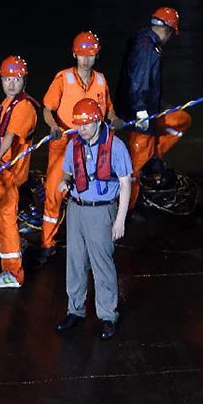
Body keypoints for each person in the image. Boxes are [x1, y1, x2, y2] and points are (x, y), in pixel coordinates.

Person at [38, 31, 123, 266]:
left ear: (97, 55)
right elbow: (47, 108)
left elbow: (108, 110)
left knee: (93, 189)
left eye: (91, 55)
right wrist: (54, 126)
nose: (86, 60)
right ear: (74, 54)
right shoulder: (63, 78)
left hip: (92, 145)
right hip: (64, 142)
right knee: (54, 193)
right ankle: (47, 243)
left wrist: (114, 120)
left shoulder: (101, 81)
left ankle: (93, 236)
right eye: (82, 55)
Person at [55, 98, 132, 341]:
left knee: (102, 263)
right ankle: (75, 310)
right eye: (79, 124)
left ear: (98, 121)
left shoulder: (115, 146)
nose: (82, 129)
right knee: (75, 262)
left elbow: (125, 182)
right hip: (76, 208)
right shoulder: (74, 144)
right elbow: (68, 170)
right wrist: (65, 182)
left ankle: (107, 314)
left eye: (86, 124)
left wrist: (120, 219)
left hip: (101, 211)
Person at [115, 6, 191, 213]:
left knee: (180, 119)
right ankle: (126, 212)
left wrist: (156, 104)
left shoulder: (144, 40)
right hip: (139, 114)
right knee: (134, 170)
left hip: (146, 107)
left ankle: (153, 157)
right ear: (167, 30)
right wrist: (140, 111)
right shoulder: (146, 47)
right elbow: (138, 80)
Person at [0, 55, 39, 289]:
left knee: (5, 219)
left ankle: (13, 272)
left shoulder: (24, 107)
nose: (11, 83)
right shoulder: (7, 103)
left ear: (24, 80)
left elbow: (11, 136)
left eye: (16, 78)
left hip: (8, 173)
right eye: (7, 79)